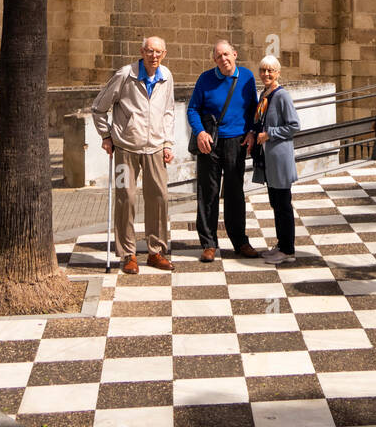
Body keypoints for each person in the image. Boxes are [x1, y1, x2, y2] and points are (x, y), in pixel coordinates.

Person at [91, 36, 175, 274]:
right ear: (142, 51)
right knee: (125, 199)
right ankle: (127, 254)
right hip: (126, 148)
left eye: (159, 52)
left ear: (164, 54)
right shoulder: (125, 75)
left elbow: (168, 112)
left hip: (156, 148)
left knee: (159, 198)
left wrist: (168, 143)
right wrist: (106, 136)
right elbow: (99, 108)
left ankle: (155, 251)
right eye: (149, 51)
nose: (154, 56)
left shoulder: (167, 76)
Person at [187, 40, 259, 261]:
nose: (223, 59)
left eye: (226, 54)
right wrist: (199, 132)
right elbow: (193, 109)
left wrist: (252, 132)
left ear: (235, 54)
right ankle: (209, 243)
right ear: (214, 60)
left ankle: (240, 242)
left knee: (235, 194)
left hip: (235, 142)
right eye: (219, 56)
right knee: (207, 193)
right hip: (210, 142)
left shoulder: (246, 77)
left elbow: (254, 109)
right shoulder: (205, 79)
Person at [247, 55, 301, 265]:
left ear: (278, 73)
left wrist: (270, 134)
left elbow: (294, 125)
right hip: (268, 158)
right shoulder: (265, 94)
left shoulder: (282, 96)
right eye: (263, 70)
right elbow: (258, 120)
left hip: (279, 157)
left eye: (271, 70)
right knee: (276, 203)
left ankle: (288, 250)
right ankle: (281, 244)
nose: (266, 74)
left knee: (283, 204)